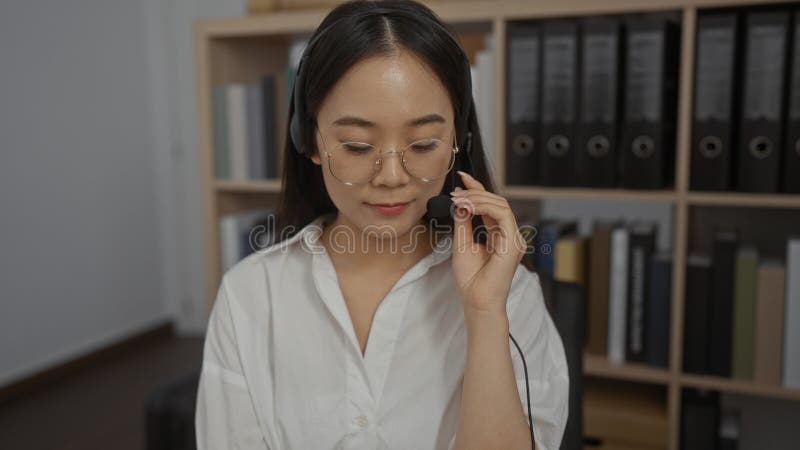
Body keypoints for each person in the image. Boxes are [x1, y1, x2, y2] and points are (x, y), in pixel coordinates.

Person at [194, 1, 569, 449]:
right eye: (355, 146)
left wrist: (485, 315)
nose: (392, 176)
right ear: (308, 139)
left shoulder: (511, 300)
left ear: (459, 139)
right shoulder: (249, 297)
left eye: (424, 143)